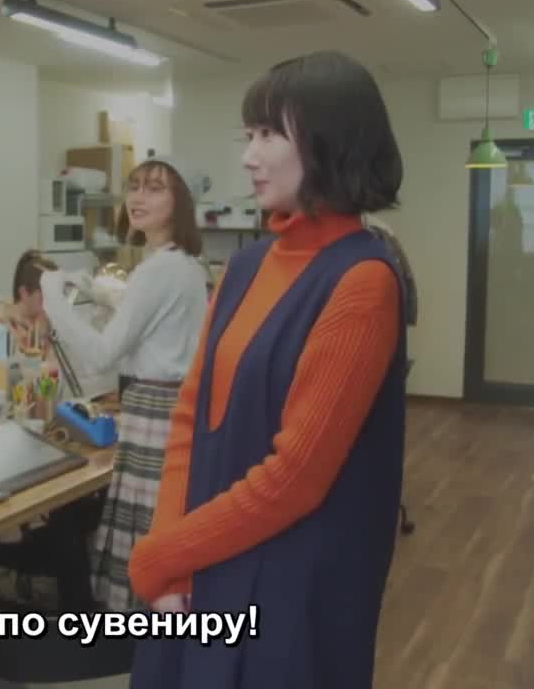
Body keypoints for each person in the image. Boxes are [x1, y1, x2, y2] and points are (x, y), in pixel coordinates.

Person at [126, 50, 407, 688]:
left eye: (269, 135)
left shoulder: (362, 281)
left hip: (291, 583)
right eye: (248, 136)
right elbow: (189, 418)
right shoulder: (246, 265)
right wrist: (171, 559)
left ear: (330, 142)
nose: (249, 157)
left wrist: (165, 552)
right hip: (205, 560)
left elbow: (295, 479)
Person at [39, 155, 209, 612]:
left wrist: (53, 299)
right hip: (167, 409)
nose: (138, 198)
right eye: (134, 187)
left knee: (145, 543)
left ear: (180, 202)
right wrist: (98, 294)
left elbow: (102, 353)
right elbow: (152, 327)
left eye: (154, 188)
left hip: (154, 410)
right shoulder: (183, 263)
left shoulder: (159, 270)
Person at [0, 249, 57, 361]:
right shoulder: (0, 322)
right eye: (46, 295)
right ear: (24, 293)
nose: (53, 302)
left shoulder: (45, 322)